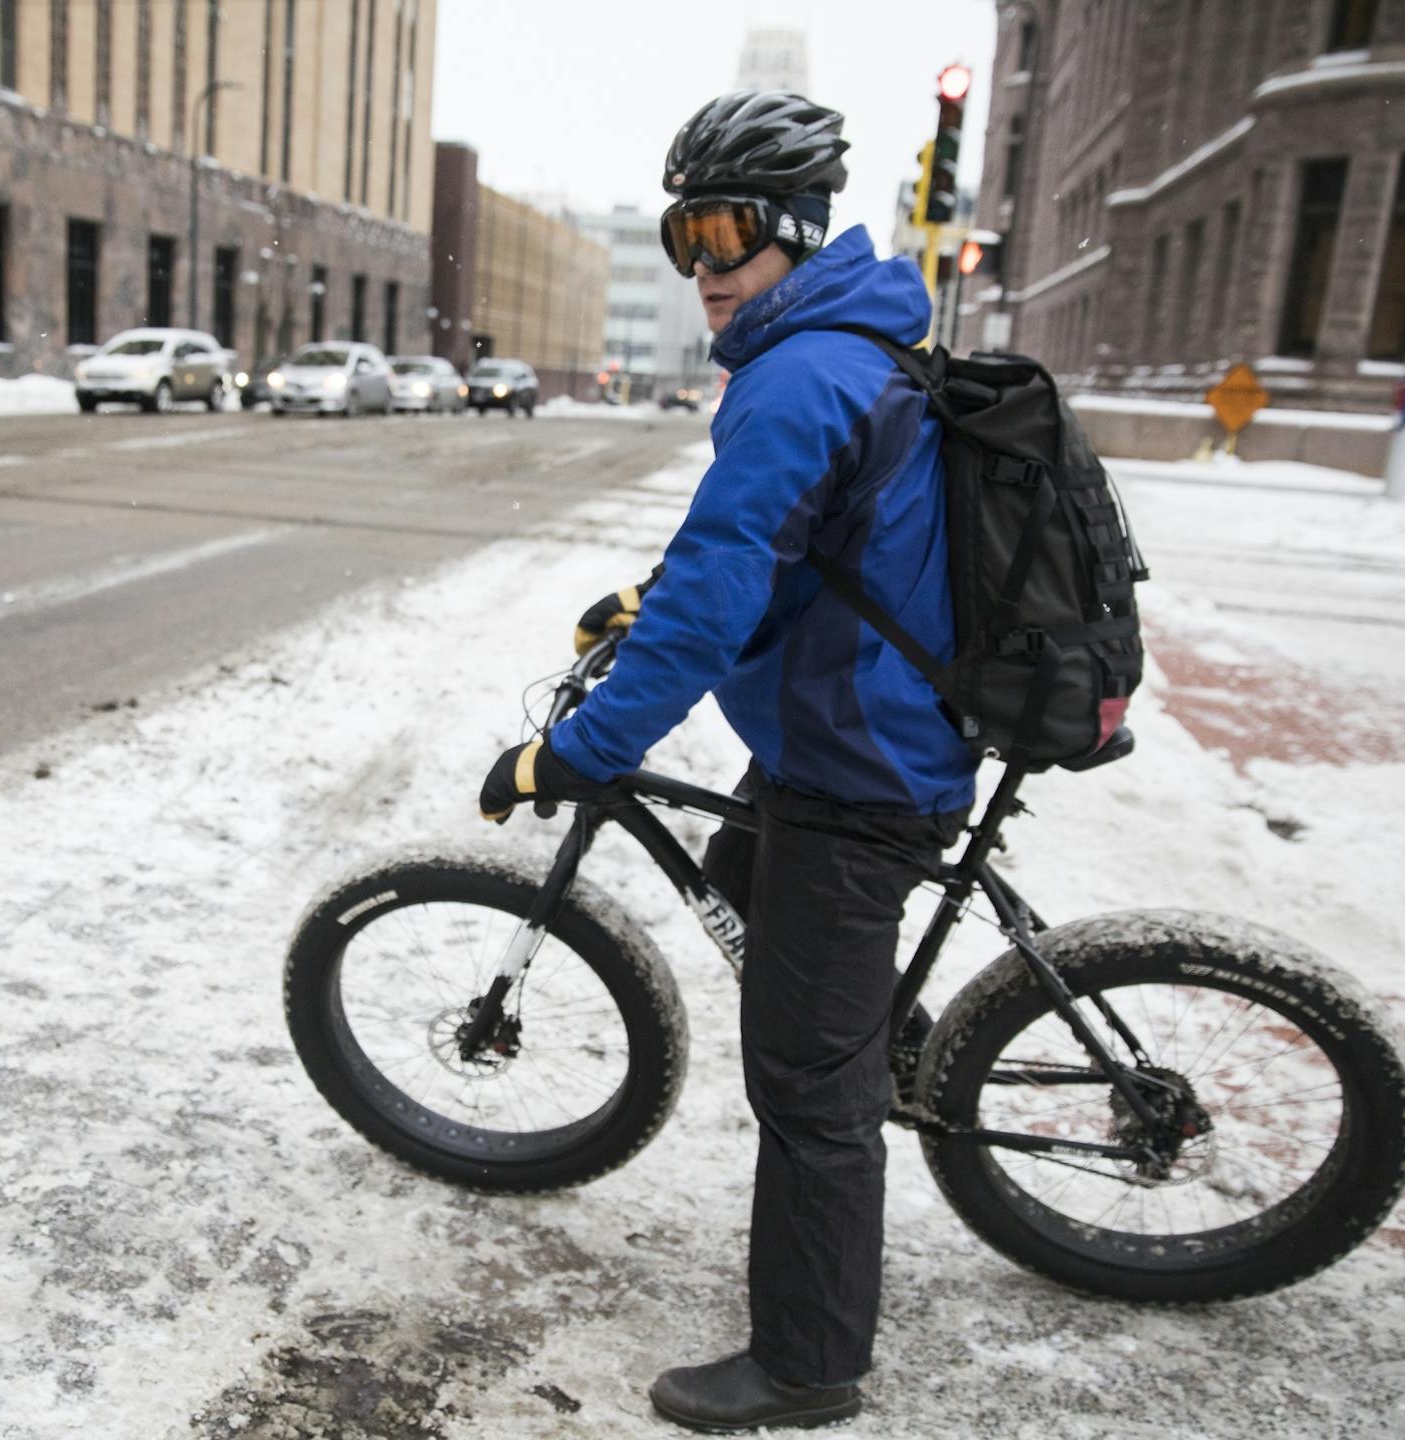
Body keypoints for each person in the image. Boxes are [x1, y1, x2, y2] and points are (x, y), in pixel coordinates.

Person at [477, 90, 976, 1433]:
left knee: (811, 1098)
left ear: (796, 232)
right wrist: (644, 603)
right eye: (678, 237)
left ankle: (809, 1365)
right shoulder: (837, 347)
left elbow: (719, 595)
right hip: (852, 726)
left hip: (864, 765)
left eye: (724, 234)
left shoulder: (802, 374)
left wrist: (575, 753)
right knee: (742, 860)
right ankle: (883, 1035)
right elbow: (752, 553)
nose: (701, 269)